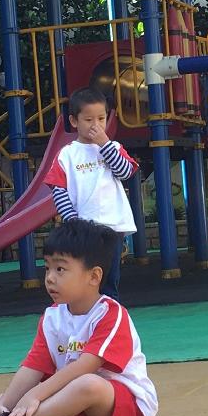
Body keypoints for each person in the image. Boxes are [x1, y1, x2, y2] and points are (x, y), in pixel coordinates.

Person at [0, 219, 155, 416]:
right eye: (47, 268)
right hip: (72, 406)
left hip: (123, 406)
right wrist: (6, 403)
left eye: (60, 269)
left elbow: (85, 367)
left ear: (94, 276)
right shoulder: (52, 317)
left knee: (88, 383)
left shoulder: (110, 314)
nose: (50, 278)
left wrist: (34, 396)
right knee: (33, 390)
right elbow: (33, 366)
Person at [44, 87, 138, 299]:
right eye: (88, 120)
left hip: (112, 226)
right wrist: (73, 222)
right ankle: (84, 314)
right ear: (74, 121)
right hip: (83, 230)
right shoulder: (67, 154)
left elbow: (125, 172)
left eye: (101, 118)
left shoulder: (113, 147)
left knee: (109, 279)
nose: (96, 125)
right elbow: (59, 191)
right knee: (83, 279)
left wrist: (104, 144)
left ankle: (109, 313)